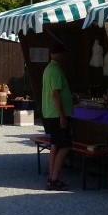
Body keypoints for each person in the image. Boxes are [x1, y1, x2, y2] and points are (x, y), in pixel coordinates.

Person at [42, 44, 74, 191]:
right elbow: (56, 94)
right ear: (59, 55)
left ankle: (51, 177)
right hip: (56, 114)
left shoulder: (49, 68)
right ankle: (54, 179)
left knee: (55, 145)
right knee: (65, 146)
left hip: (50, 113)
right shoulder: (55, 70)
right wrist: (62, 116)